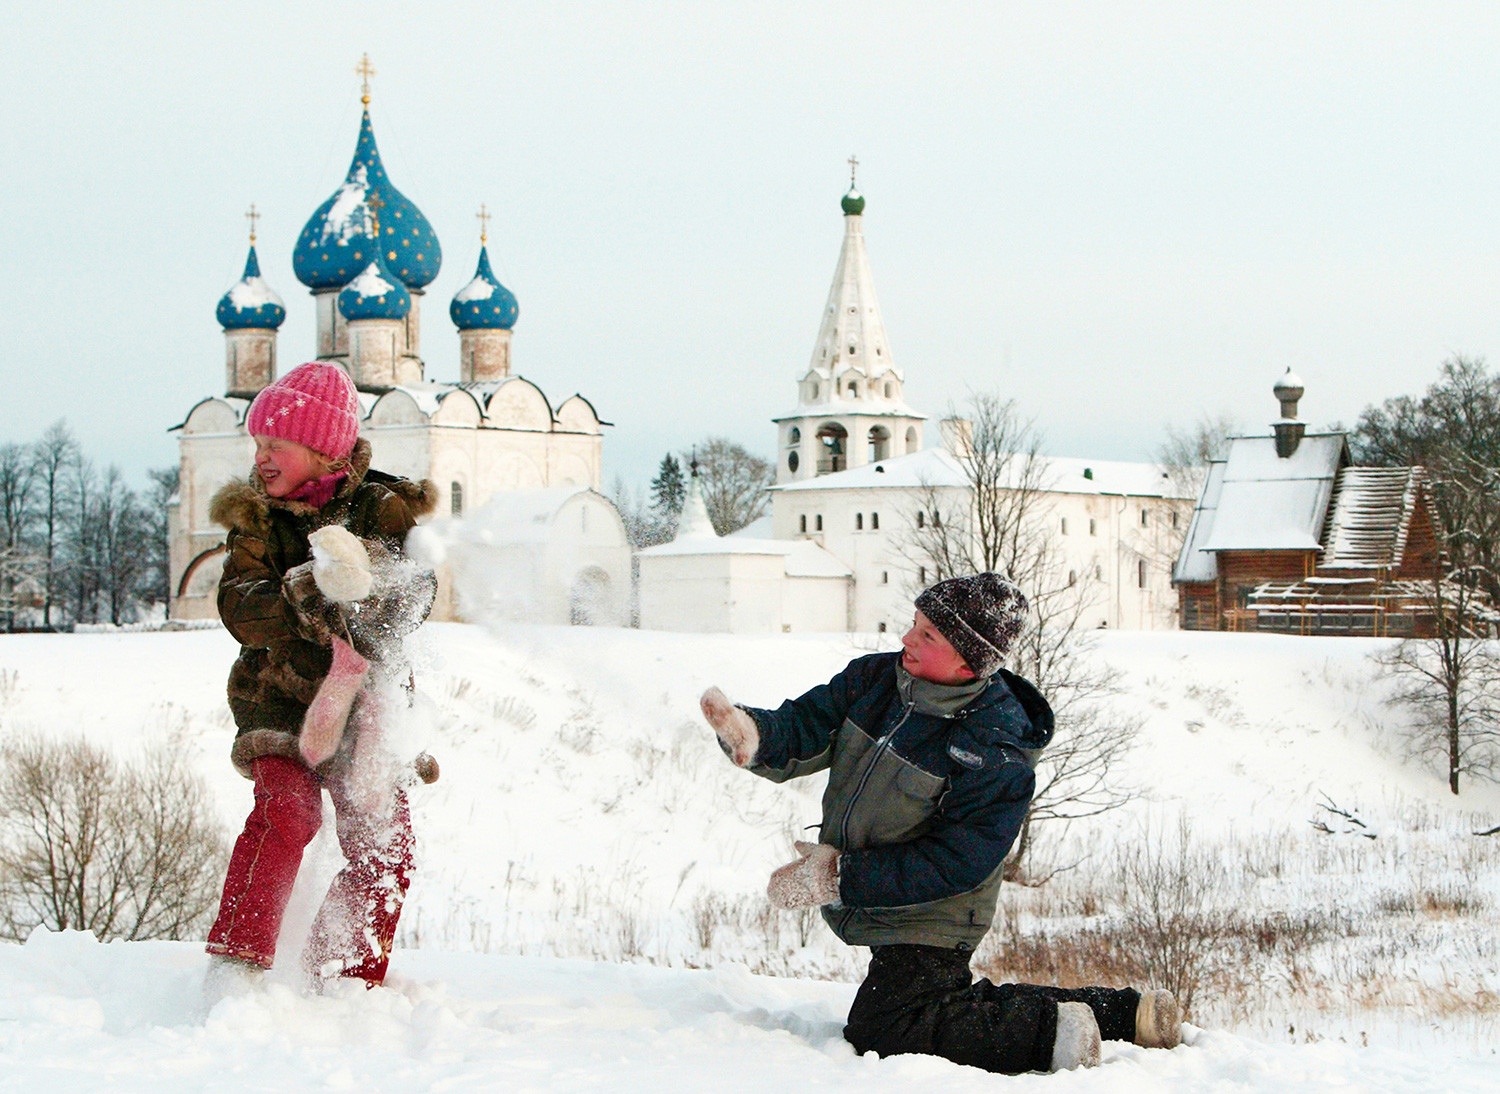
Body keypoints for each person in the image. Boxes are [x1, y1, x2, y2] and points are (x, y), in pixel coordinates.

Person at [699, 572, 1181, 1073]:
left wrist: (838, 878)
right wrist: (755, 735)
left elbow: (957, 862)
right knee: (937, 1001)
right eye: (914, 623)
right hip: (881, 886)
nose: (907, 638)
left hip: (939, 907)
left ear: (969, 661)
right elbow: (806, 726)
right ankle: (1130, 1014)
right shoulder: (873, 680)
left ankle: (1053, 1034)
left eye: (927, 635)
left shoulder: (994, 746)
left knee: (886, 1025)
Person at [203, 361, 438, 995]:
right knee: (289, 813)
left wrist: (365, 594)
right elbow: (240, 607)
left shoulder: (383, 507)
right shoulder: (253, 518)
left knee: (384, 846)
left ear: (320, 447)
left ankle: (344, 980)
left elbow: (419, 592)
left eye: (274, 444)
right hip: (278, 699)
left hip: (364, 707)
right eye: (256, 445)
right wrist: (311, 592)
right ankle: (238, 967)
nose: (262, 458)